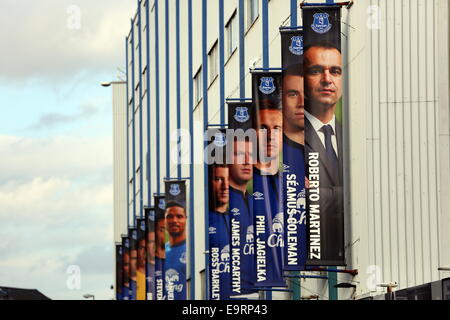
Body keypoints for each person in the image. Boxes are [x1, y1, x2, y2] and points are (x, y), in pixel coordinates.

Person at [303, 41, 344, 263]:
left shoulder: (352, 136)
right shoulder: (291, 144)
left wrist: (324, 193)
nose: (327, 79)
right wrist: (346, 193)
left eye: (335, 71)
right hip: (314, 254)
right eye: (316, 71)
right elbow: (303, 198)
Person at [228, 138, 256, 295]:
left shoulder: (257, 202)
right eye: (239, 155)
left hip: (263, 289)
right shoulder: (222, 203)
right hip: (234, 293)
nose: (246, 161)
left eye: (250, 155)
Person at [208, 164, 231, 299]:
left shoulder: (244, 216)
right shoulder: (205, 220)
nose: (225, 186)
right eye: (219, 179)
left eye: (228, 179)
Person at [164, 201, 187, 300]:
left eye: (179, 216)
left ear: (186, 219)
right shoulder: (161, 253)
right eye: (169, 216)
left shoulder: (191, 250)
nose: (174, 220)